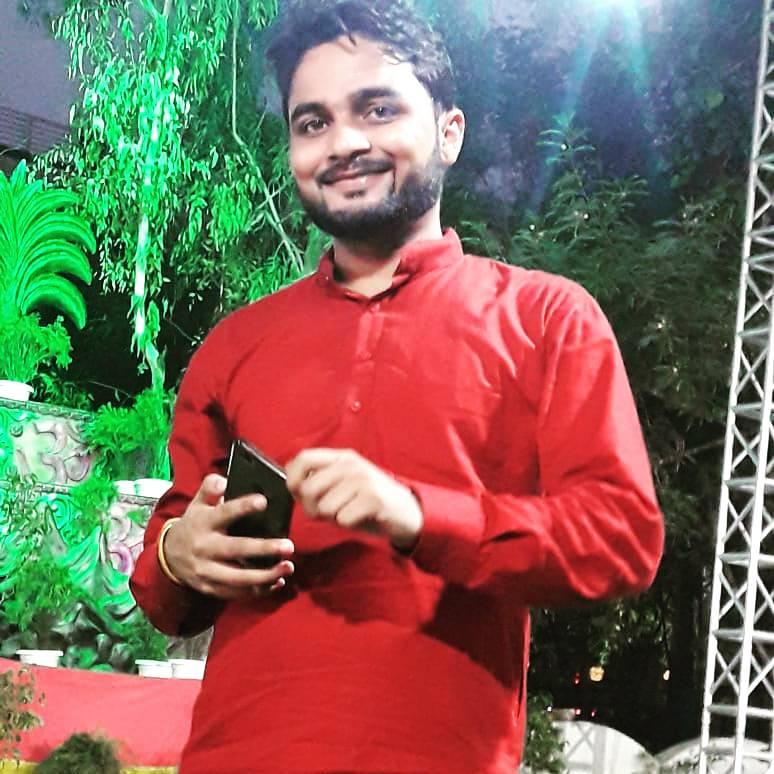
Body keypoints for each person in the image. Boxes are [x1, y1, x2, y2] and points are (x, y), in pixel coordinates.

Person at [129, 1, 665, 772]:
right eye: (312, 122)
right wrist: (178, 552)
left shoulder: (547, 320)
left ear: (449, 130)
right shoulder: (236, 345)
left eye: (377, 109)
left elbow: (620, 539)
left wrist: (421, 515)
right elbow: (165, 588)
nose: (344, 143)